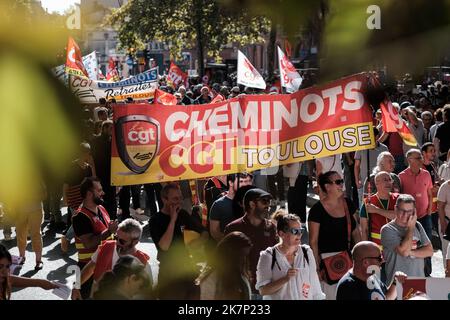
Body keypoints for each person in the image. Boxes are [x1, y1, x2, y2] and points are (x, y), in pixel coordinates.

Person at [149, 183, 208, 299]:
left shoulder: (183, 214)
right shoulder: (155, 220)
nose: (179, 201)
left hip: (187, 270)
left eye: (180, 198)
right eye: (175, 198)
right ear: (164, 199)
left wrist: (199, 242)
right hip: (168, 273)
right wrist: (172, 220)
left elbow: (204, 232)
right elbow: (164, 247)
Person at [308, 171, 360, 300]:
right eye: (337, 182)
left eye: (341, 181)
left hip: (349, 259)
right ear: (327, 186)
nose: (341, 184)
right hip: (327, 263)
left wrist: (360, 256)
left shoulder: (348, 203)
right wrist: (315, 268)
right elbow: (313, 241)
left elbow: (356, 232)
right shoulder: (316, 210)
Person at [71, 218, 151, 299]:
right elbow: (90, 268)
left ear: (135, 242)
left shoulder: (142, 264)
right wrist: (76, 286)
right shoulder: (105, 247)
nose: (117, 243)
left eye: (122, 241)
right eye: (116, 238)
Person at [224, 188, 278, 299]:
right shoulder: (233, 228)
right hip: (243, 289)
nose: (268, 205)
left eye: (269, 202)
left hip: (267, 288)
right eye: (264, 201)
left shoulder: (271, 227)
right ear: (252, 204)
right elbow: (225, 259)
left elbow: (276, 256)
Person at [256, 214, 324, 300]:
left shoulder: (307, 252)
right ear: (282, 234)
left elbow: (316, 289)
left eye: (301, 231)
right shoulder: (268, 256)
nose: (299, 235)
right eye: (295, 231)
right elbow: (263, 290)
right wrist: (285, 279)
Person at [72, 177, 118, 299]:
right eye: (99, 190)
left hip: (105, 265)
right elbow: (88, 243)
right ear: (89, 193)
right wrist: (109, 231)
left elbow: (108, 234)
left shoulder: (101, 208)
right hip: (87, 269)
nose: (103, 193)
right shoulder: (80, 216)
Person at [380, 194, 433, 285]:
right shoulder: (387, 229)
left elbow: (429, 251)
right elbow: (404, 252)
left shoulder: (417, 225)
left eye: (409, 211)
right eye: (402, 210)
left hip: (418, 282)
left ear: (414, 211)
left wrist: (411, 252)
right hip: (397, 285)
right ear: (395, 209)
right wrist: (410, 228)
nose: (405, 214)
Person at [398, 149, 433, 276]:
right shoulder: (401, 176)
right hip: (409, 219)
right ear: (409, 160)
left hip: (424, 216)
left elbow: (429, 193)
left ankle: (427, 272)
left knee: (427, 245)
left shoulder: (426, 174)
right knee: (412, 245)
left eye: (421, 158)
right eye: (418, 158)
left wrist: (429, 211)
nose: (421, 160)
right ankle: (412, 271)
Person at [336, 241, 407, 300]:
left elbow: (386, 297)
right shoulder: (348, 287)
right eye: (379, 258)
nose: (382, 261)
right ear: (365, 262)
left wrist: (395, 282)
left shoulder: (371, 276)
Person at [196, 231, 252, 300]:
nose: (244, 260)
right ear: (230, 253)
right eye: (241, 255)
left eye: (245, 256)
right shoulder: (211, 278)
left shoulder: (242, 276)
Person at [209, 174, 252, 242]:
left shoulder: (251, 202)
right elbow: (214, 231)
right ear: (230, 183)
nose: (245, 185)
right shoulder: (218, 204)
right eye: (241, 182)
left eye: (247, 181)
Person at [360, 172, 399, 244]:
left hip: (396, 246)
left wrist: (376, 210)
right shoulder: (367, 202)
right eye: (385, 180)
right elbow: (364, 230)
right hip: (377, 249)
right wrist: (365, 250)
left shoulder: (399, 198)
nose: (388, 182)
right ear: (377, 183)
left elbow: (399, 217)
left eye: (390, 180)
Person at [438, 179, 450, 270]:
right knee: (446, 251)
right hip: (447, 222)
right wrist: (443, 224)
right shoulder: (445, 186)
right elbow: (440, 206)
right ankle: (447, 273)